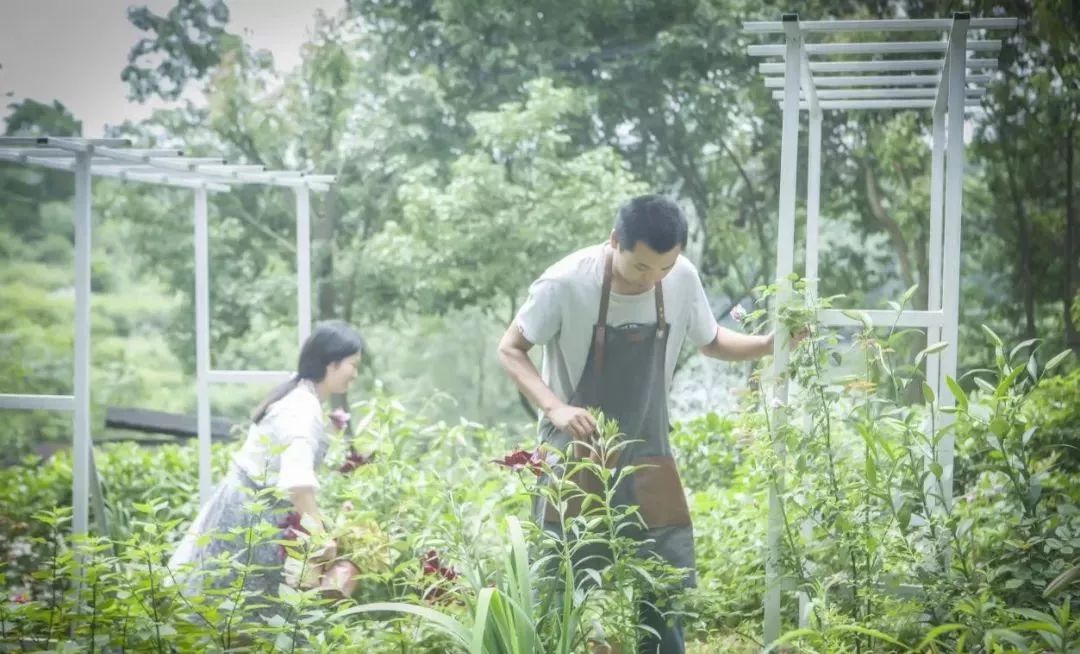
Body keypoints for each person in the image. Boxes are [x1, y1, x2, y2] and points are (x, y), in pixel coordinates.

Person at [496, 195, 782, 654]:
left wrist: (768, 344)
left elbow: (710, 341)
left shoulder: (681, 278)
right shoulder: (566, 282)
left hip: (649, 449)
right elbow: (510, 349)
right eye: (642, 268)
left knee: (661, 579)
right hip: (574, 450)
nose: (654, 279)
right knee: (560, 579)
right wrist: (556, 409)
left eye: (665, 268)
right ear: (615, 243)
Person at [168, 320, 364, 606]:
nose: (355, 374)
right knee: (231, 608)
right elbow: (298, 484)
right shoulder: (302, 408)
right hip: (250, 516)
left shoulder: (301, 395)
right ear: (331, 363)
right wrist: (322, 537)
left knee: (229, 608)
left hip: (251, 509)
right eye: (352, 364)